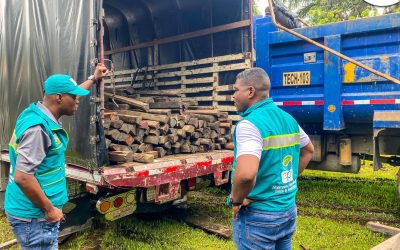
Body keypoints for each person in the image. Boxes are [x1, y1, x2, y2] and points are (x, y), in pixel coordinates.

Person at [5, 64, 109, 249]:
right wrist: (50, 209)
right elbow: (23, 177)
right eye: (74, 97)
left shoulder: (37, 112)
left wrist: (93, 78)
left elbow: (72, 94)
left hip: (32, 215)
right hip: (34, 218)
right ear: (59, 98)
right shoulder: (38, 129)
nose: (78, 100)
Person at [228, 67, 314, 250]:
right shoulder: (288, 119)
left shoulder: (249, 124)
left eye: (236, 90)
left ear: (250, 91)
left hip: (258, 217)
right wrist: (287, 181)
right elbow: (308, 150)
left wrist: (236, 200)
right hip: (287, 211)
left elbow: (246, 175)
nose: (233, 96)